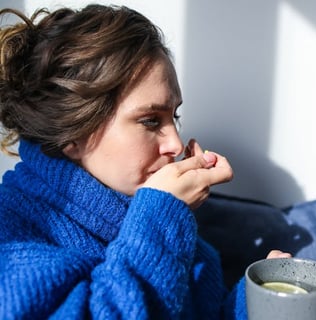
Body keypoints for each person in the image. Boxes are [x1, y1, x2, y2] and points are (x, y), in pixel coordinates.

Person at [0, 4, 290, 319]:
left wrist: (256, 301)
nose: (176, 144)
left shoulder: (167, 226)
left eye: (174, 116)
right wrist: (161, 216)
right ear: (73, 132)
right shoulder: (13, 233)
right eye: (151, 120)